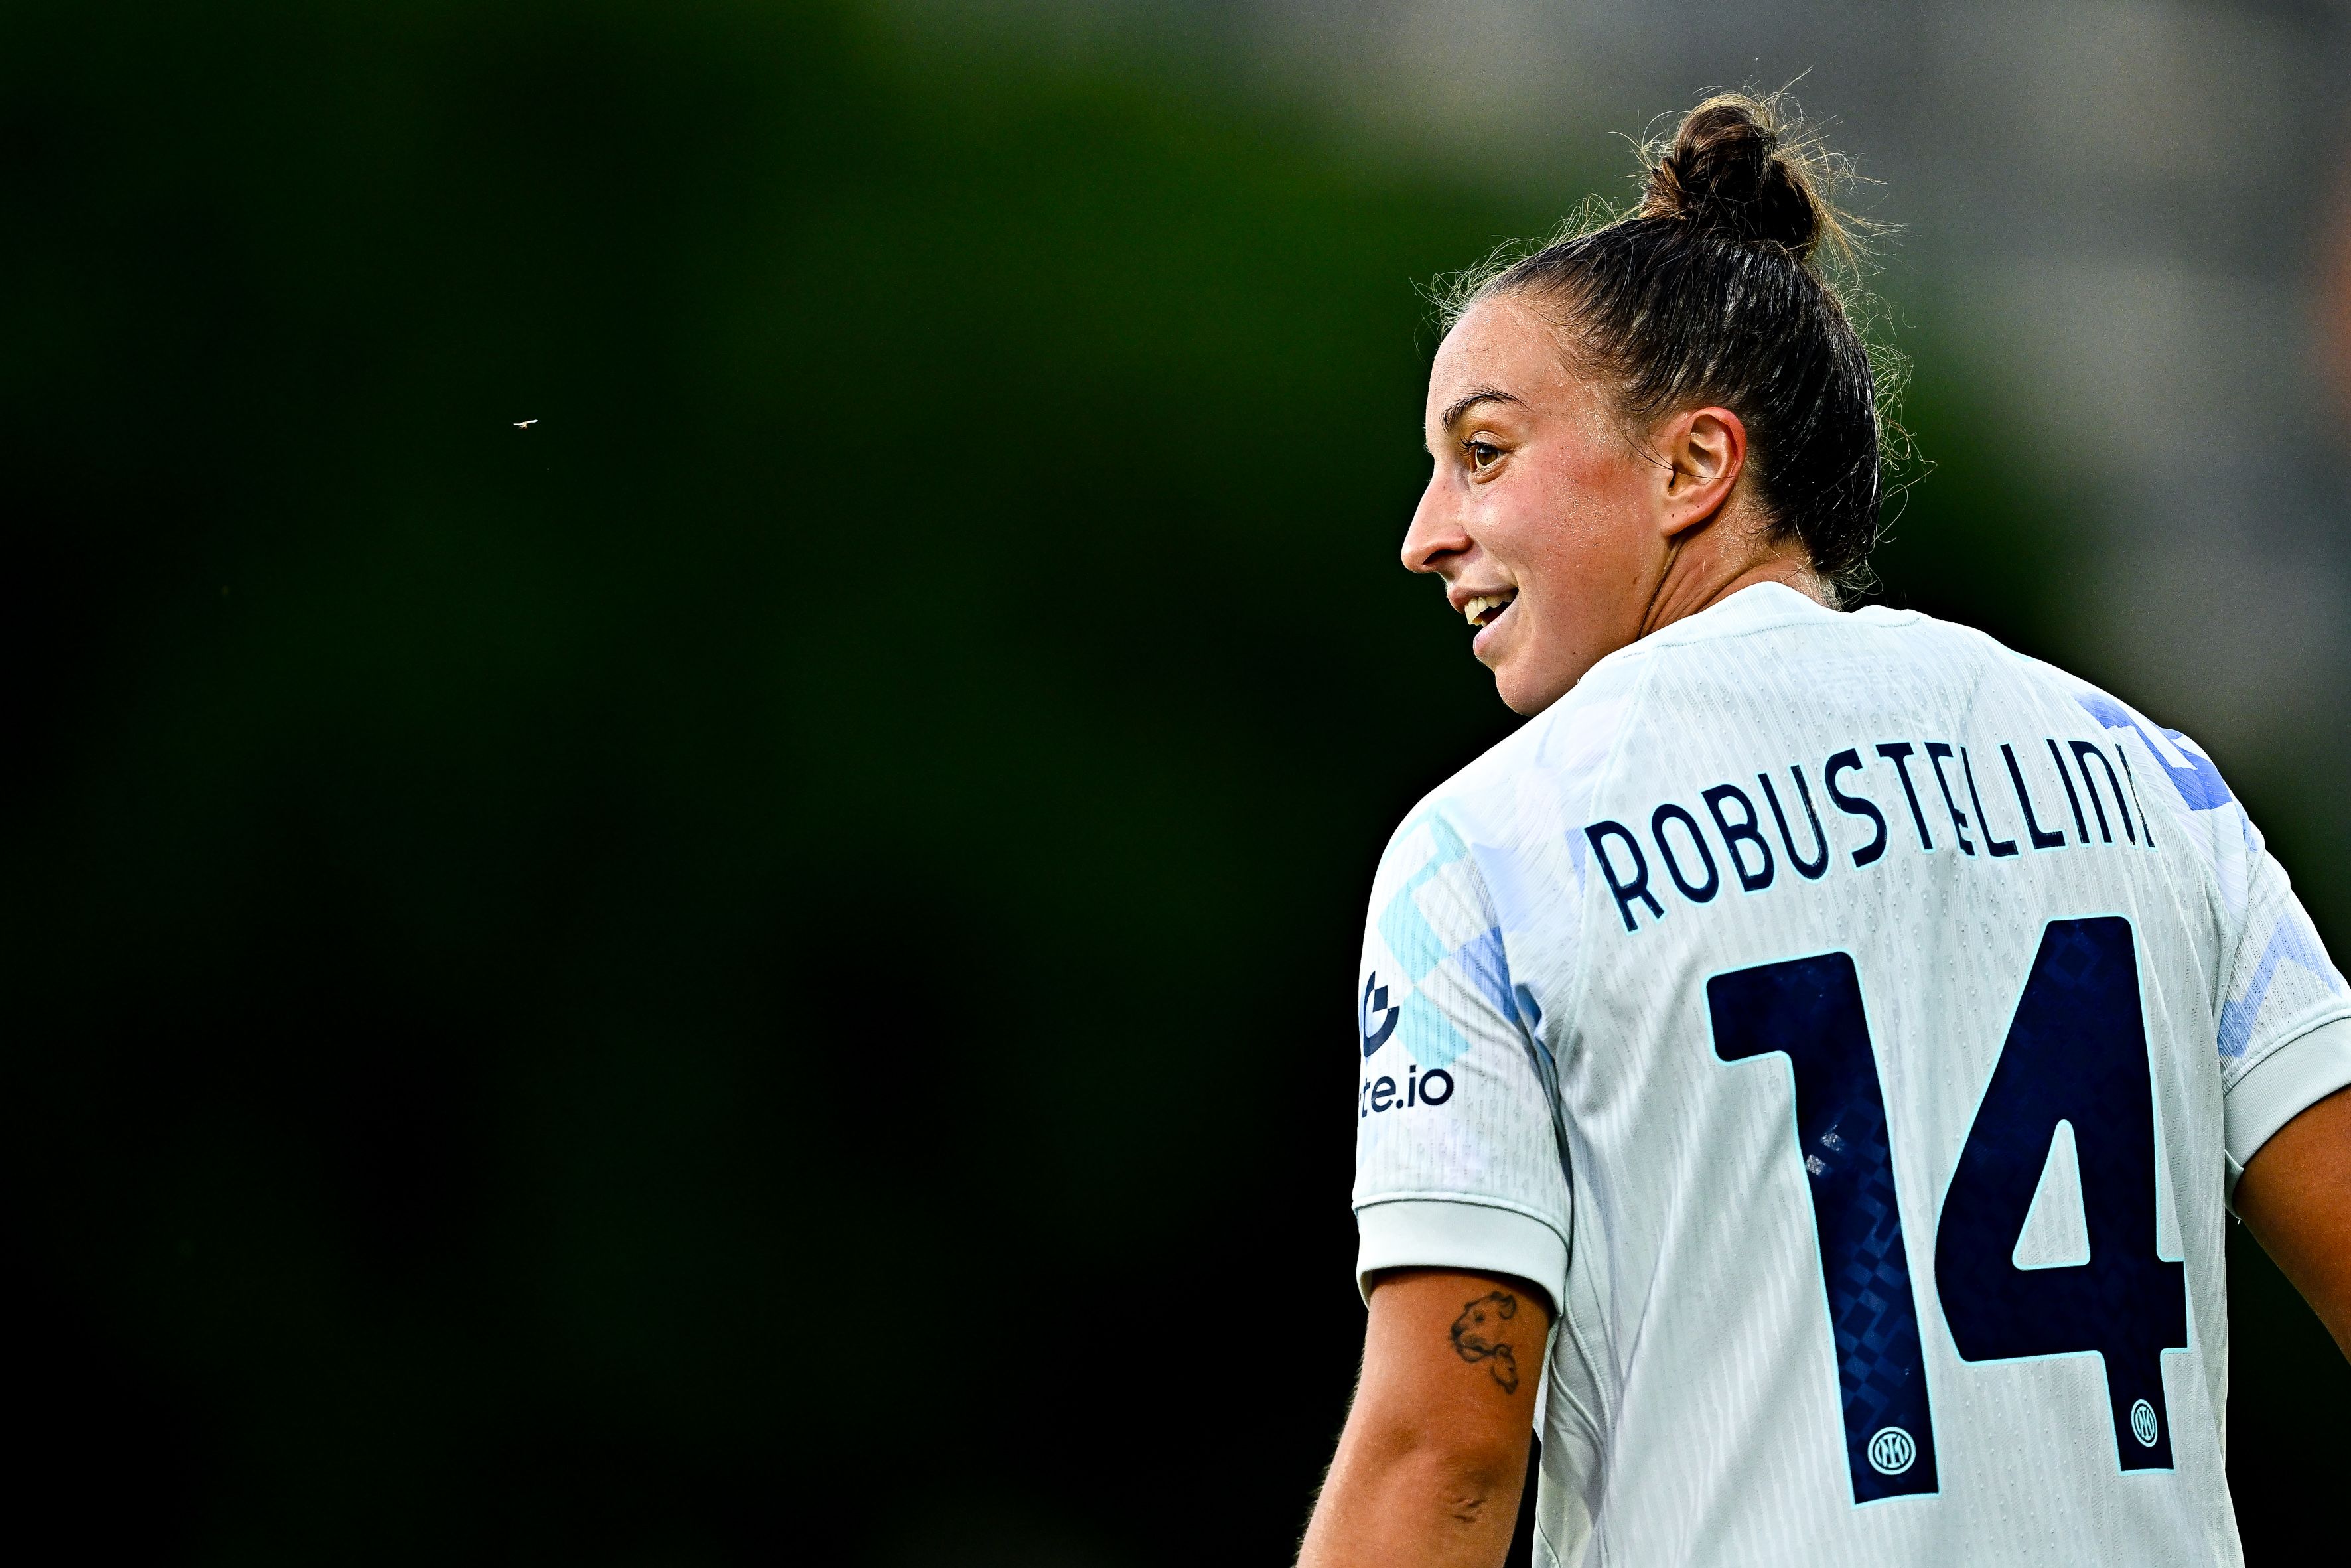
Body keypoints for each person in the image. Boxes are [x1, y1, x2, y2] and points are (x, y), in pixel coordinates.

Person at [1295, 93, 2351, 1568]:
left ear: (1691, 466)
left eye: (1482, 452)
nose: (1423, 533)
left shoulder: (1484, 856)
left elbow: (1442, 1455)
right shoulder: (2152, 781)